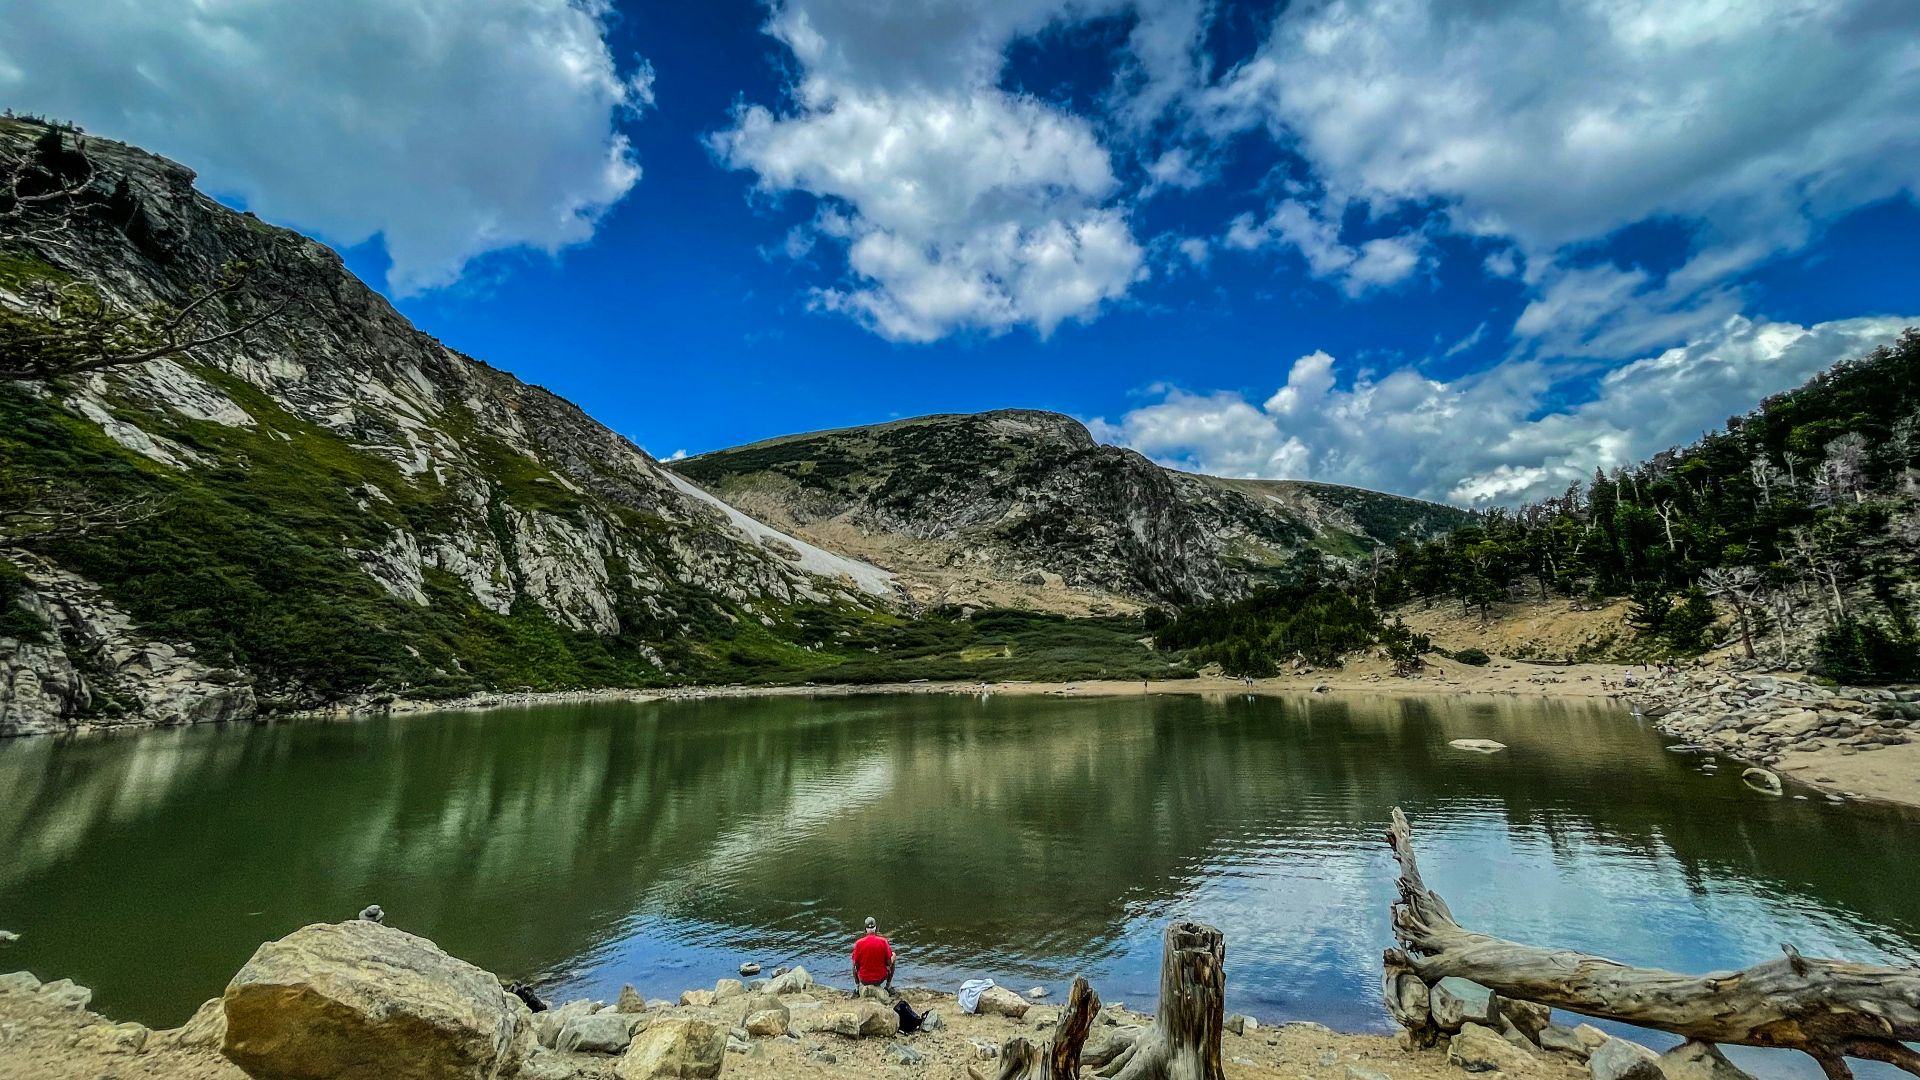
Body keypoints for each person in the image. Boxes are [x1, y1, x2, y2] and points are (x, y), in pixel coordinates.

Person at [851, 916, 895, 992]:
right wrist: (887, 966)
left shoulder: (858, 943)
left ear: (865, 929)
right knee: (893, 955)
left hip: (864, 980)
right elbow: (889, 962)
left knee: (853, 960)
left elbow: (856, 964)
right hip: (880, 979)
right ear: (875, 928)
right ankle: (888, 985)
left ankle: (857, 987)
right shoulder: (883, 941)